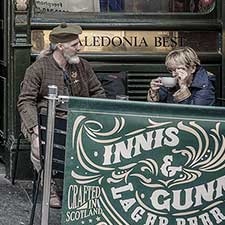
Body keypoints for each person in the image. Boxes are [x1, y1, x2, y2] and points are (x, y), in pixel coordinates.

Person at [17, 23, 105, 208]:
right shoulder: (38, 68)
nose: (80, 47)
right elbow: (25, 101)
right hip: (44, 120)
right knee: (38, 146)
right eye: (75, 44)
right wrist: (34, 128)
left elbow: (98, 93)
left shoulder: (82, 66)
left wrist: (92, 116)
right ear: (60, 46)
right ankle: (48, 187)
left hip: (77, 120)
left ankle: (83, 188)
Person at [147, 47, 216, 105]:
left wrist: (183, 87)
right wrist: (154, 92)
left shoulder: (205, 84)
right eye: (171, 70)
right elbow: (157, 108)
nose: (173, 74)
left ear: (192, 68)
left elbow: (196, 113)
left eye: (180, 69)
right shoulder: (174, 81)